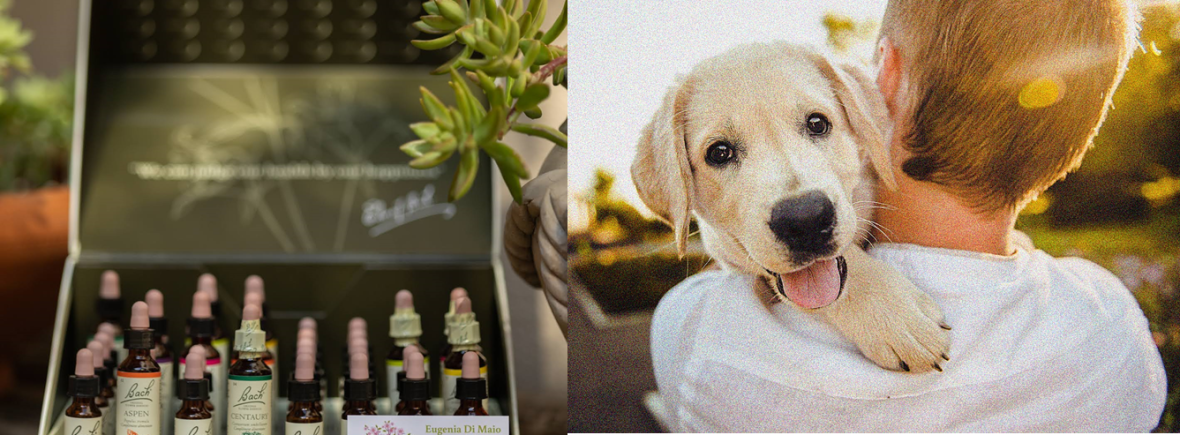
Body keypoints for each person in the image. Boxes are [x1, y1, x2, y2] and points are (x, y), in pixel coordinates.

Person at [650, 0, 1166, 432]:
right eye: (721, 153)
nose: (800, 201)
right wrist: (854, 286)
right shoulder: (1114, 326)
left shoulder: (701, 336)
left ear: (884, 78)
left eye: (815, 124)